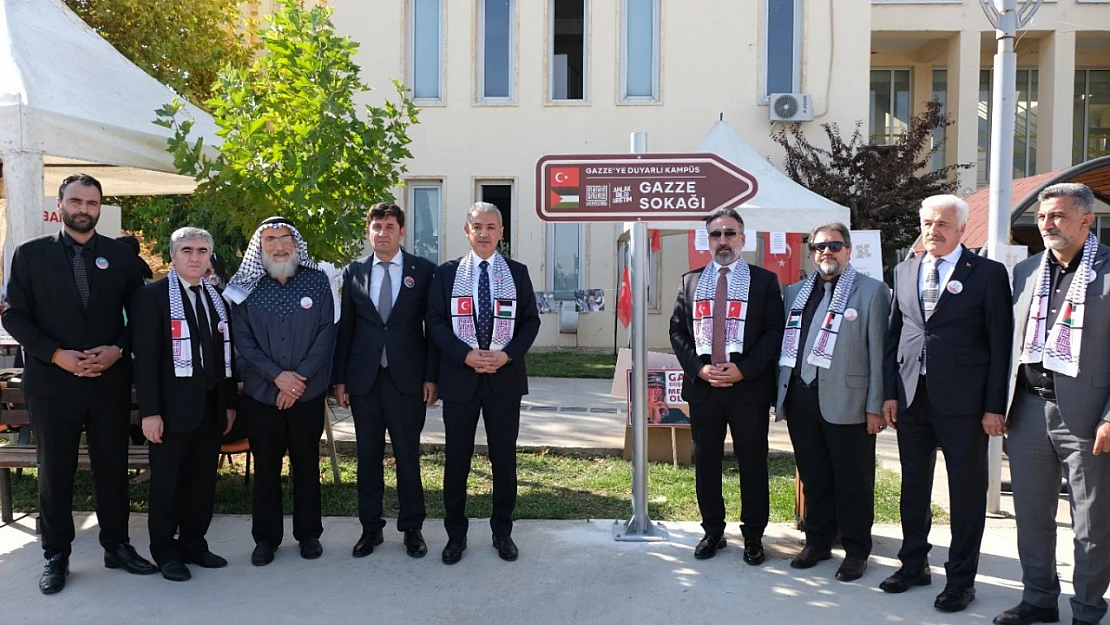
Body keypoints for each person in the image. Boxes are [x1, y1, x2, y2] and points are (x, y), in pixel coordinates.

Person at [1, 173, 155, 594]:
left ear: (100, 207)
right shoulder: (31, 255)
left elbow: (139, 317)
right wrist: (56, 354)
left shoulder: (121, 258)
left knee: (112, 469)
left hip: (108, 382)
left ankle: (117, 545)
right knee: (55, 472)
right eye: (76, 201)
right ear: (61, 202)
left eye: (91, 202)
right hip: (53, 383)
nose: (84, 209)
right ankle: (56, 554)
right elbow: (13, 315)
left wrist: (117, 350)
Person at [881, 194, 1013, 612]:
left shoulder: (988, 274)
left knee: (966, 494)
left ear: (961, 229)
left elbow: (1000, 344)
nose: (932, 231)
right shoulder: (903, 271)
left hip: (965, 405)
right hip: (912, 400)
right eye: (927, 223)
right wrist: (889, 392)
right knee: (913, 487)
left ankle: (960, 580)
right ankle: (913, 564)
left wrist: (995, 406)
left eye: (942, 224)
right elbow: (894, 336)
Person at [993, 183, 1110, 625]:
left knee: (1092, 524)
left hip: (1087, 415)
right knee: (1032, 515)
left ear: (1086, 220)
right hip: (1026, 412)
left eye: (1058, 216)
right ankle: (1039, 600)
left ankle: (1087, 609)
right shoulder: (1026, 273)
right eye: (1043, 217)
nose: (1047, 225)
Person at [426, 202, 540, 565]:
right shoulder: (446, 275)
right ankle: (455, 536)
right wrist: (464, 354)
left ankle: (502, 532)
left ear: (501, 233)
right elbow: (436, 323)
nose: (484, 233)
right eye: (477, 226)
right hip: (460, 381)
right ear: (467, 231)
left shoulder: (517, 274)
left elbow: (530, 323)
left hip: (504, 381)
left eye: (491, 227)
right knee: (457, 460)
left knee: (503, 460)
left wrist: (507, 355)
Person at [668, 207, 784, 564]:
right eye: (716, 234)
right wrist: (700, 370)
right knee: (707, 461)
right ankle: (712, 531)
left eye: (729, 233)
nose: (723, 240)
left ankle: (753, 536)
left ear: (742, 239)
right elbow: (677, 331)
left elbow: (773, 332)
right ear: (708, 240)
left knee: (752, 462)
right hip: (705, 389)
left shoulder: (763, 281)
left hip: (746, 389)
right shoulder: (690, 280)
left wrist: (743, 370)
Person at [775, 223, 889, 582]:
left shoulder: (871, 291)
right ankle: (818, 541)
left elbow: (879, 353)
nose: (827, 252)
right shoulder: (795, 293)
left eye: (835, 245)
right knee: (814, 476)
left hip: (850, 401)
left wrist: (875, 405)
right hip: (802, 397)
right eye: (819, 247)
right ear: (812, 253)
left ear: (849, 250)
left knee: (853, 480)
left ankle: (856, 550)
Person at [226, 216, 337, 566]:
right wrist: (278, 377)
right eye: (270, 239)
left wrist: (298, 379)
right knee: (266, 469)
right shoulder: (243, 286)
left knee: (306, 465)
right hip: (263, 395)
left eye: (284, 238)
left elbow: (325, 336)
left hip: (307, 392)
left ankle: (308, 535)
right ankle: (266, 539)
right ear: (260, 246)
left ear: (295, 243)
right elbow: (241, 340)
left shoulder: (318, 281)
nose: (278, 245)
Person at [333, 202, 439, 559]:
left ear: (402, 231)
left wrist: (431, 376)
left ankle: (412, 529)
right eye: (376, 226)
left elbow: (433, 330)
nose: (383, 233)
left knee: (407, 456)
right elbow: (344, 328)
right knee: (367, 457)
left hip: (407, 381)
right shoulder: (354, 272)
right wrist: (340, 380)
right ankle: (370, 529)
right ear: (369, 231)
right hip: (364, 382)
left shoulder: (423, 272)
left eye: (390, 226)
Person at [132, 227, 237, 582]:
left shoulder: (216, 297)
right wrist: (149, 412)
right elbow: (145, 362)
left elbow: (225, 357)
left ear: (210, 256)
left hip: (209, 409)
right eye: (188, 250)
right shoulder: (152, 297)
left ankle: (194, 543)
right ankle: (165, 551)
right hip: (170, 412)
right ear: (173, 256)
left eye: (202, 251)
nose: (195, 257)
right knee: (167, 485)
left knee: (202, 482)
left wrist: (229, 403)